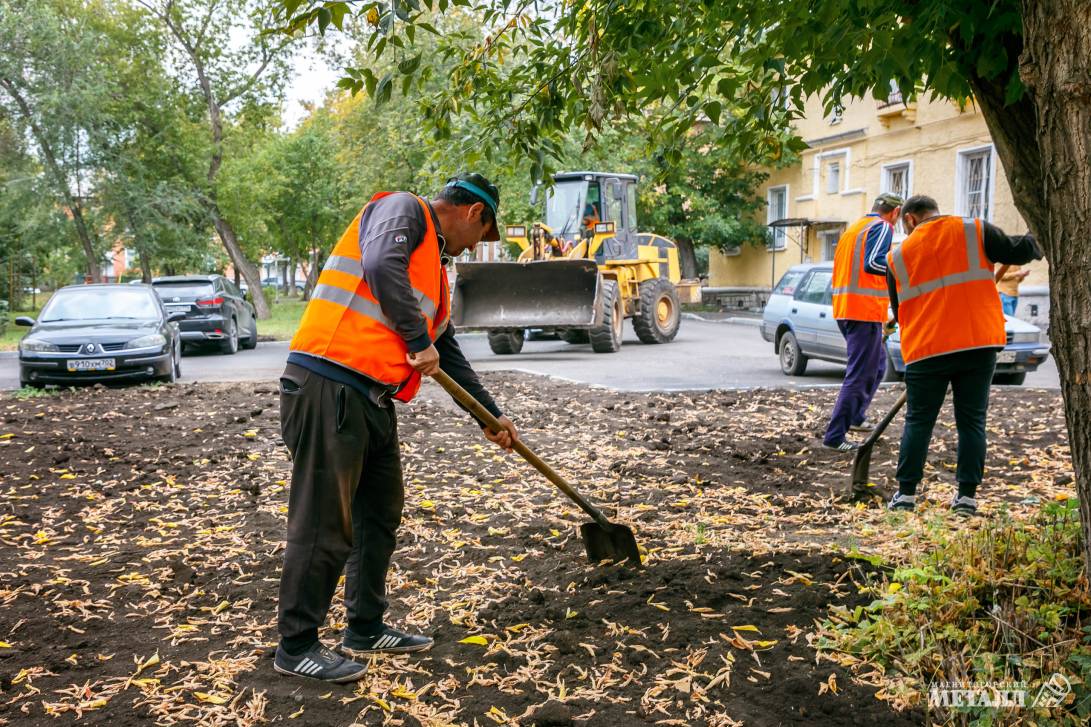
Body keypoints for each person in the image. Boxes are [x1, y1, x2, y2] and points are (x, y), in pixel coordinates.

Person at [273, 173, 521, 683]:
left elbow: (446, 352)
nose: (475, 247)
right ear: (474, 213)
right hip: (328, 383)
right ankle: (296, 645)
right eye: (482, 236)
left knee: (378, 514)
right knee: (325, 521)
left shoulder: (433, 272)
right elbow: (380, 266)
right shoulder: (403, 211)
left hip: (373, 397)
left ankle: (364, 627)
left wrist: (489, 417)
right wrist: (416, 337)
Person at [885, 195, 1043, 515]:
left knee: (918, 421)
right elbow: (1022, 251)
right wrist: (1036, 227)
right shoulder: (974, 230)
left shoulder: (897, 256)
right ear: (935, 211)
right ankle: (967, 498)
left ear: (911, 220)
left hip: (926, 349)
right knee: (972, 422)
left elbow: (899, 310)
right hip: (977, 343)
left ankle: (905, 495)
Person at [822, 192, 903, 452]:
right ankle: (835, 436)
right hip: (862, 311)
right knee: (859, 374)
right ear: (896, 212)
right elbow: (873, 263)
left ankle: (856, 416)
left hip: (848, 309)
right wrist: (905, 274)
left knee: (878, 365)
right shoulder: (882, 226)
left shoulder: (855, 228)